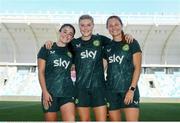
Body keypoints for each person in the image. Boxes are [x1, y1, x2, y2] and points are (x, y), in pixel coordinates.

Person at [45, 14, 134, 121]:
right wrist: (50, 42)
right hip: (80, 89)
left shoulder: (101, 39)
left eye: (88, 25)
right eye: (82, 25)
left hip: (99, 88)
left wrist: (126, 35)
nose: (85, 28)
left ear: (93, 26)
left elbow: (117, 41)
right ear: (79, 27)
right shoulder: (74, 43)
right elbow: (60, 44)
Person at [104, 15, 142, 121]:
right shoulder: (107, 47)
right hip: (111, 91)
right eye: (110, 25)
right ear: (107, 28)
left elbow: (138, 68)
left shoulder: (132, 42)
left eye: (116, 24)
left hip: (128, 90)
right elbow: (101, 68)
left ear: (121, 25)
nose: (113, 27)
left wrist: (132, 89)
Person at [37, 24, 76, 121]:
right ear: (60, 32)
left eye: (70, 34)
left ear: (72, 38)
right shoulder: (47, 48)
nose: (67, 35)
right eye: (65, 31)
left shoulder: (73, 52)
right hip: (50, 93)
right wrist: (45, 92)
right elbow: (41, 72)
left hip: (67, 92)